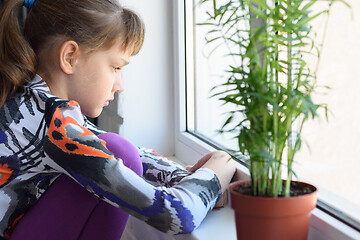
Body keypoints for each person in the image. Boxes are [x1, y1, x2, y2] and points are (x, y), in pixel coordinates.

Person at [0, 0, 236, 239]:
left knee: (117, 150)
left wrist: (184, 177)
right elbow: (178, 216)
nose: (120, 86)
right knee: (120, 151)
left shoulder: (31, 103)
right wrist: (219, 168)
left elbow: (101, 146)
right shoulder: (52, 123)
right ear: (70, 56)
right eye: (115, 68)